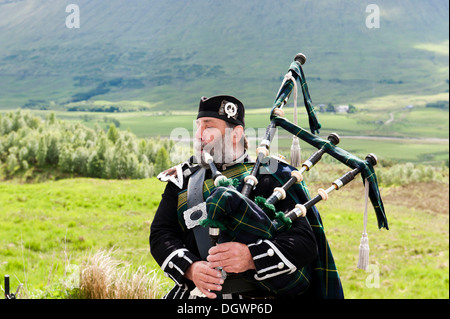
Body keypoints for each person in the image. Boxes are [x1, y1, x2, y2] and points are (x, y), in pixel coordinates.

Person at [150, 95, 343, 299]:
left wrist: (251, 257)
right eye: (197, 126)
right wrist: (191, 268)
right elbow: (162, 234)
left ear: (236, 133)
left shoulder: (272, 177)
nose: (198, 135)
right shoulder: (183, 181)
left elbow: (303, 242)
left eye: (208, 127)